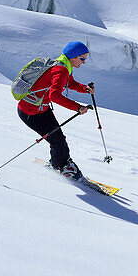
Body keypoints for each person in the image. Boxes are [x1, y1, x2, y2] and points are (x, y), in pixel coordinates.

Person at [17, 41, 95, 180]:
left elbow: (69, 83)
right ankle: (62, 166)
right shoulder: (61, 70)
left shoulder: (64, 65)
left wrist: (84, 89)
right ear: (73, 56)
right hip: (30, 112)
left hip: (40, 108)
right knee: (57, 140)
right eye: (82, 58)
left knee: (59, 138)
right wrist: (77, 107)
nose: (83, 62)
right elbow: (55, 96)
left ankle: (62, 163)